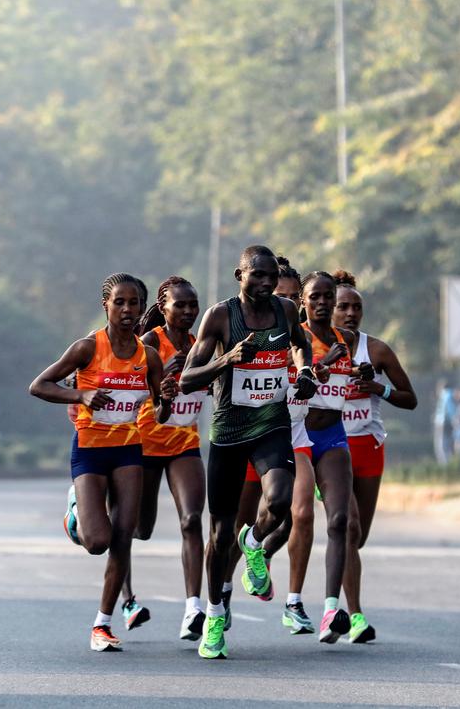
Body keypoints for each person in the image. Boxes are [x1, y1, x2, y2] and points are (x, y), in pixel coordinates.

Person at [179, 246, 316, 659]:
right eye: (256, 275)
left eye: (271, 276)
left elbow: (300, 346)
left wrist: (305, 370)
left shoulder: (286, 311)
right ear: (239, 275)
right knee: (219, 536)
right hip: (228, 432)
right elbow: (187, 379)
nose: (266, 283)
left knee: (279, 501)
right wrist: (228, 360)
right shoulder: (220, 316)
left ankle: (254, 542)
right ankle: (216, 615)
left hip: (271, 424)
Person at [29, 273, 175, 652]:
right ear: (106, 305)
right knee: (98, 542)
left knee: (124, 539)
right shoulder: (87, 348)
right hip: (90, 449)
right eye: (119, 303)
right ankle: (76, 511)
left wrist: (167, 400)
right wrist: (81, 394)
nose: (127, 310)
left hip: (129, 449)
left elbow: (159, 414)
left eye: (134, 303)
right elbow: (40, 385)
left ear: (144, 309)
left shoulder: (150, 357)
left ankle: (102, 625)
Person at [231, 256, 319, 635]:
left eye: (291, 297)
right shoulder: (243, 325)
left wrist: (308, 373)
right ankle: (218, 598)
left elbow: (312, 372)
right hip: (247, 433)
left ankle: (281, 584)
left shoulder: (303, 337)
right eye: (278, 293)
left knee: (298, 512)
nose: (282, 302)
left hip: (291, 435)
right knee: (232, 527)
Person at [120, 276, 207, 641]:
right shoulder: (151, 342)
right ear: (164, 305)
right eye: (180, 305)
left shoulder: (201, 344)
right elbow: (130, 384)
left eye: (193, 305)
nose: (188, 311)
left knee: (191, 520)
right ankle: (126, 601)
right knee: (137, 528)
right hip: (143, 442)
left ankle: (193, 609)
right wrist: (169, 375)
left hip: (184, 442)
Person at [333, 269, 417, 643]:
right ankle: (352, 615)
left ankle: (333, 608)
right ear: (326, 310)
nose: (350, 313)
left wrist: (376, 388)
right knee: (347, 527)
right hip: (329, 447)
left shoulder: (377, 350)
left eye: (356, 307)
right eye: (342, 307)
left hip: (368, 448)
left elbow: (409, 398)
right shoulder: (309, 347)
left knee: (358, 537)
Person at [298, 270, 359, 644]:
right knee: (293, 517)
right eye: (315, 297)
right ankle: (255, 544)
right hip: (299, 434)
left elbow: (345, 376)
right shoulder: (296, 337)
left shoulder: (346, 339)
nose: (322, 304)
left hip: (333, 434)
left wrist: (357, 370)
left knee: (339, 521)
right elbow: (293, 382)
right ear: (303, 302)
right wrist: (322, 365)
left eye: (328, 298)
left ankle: (331, 610)